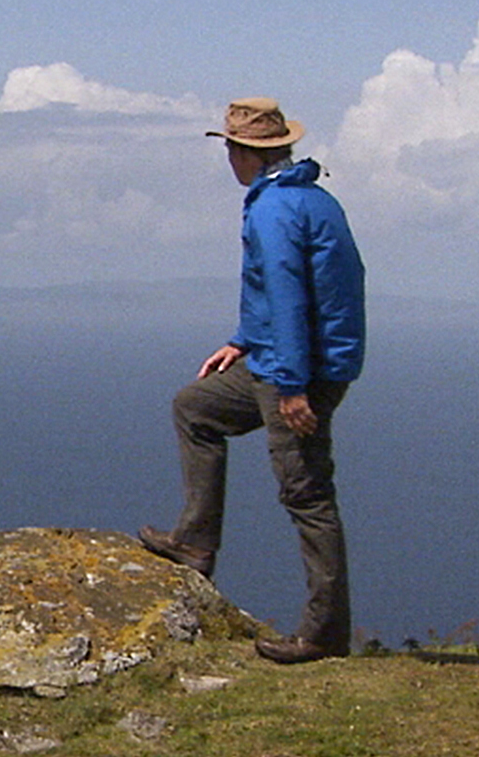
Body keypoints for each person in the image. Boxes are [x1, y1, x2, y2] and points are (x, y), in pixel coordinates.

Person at [139, 97, 366, 664]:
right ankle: (194, 541)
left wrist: (292, 387)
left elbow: (289, 296)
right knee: (196, 407)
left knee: (307, 494)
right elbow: (288, 287)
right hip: (280, 362)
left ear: (242, 151)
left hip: (295, 374)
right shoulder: (310, 198)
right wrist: (243, 339)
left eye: (230, 148)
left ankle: (324, 634)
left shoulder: (272, 209)